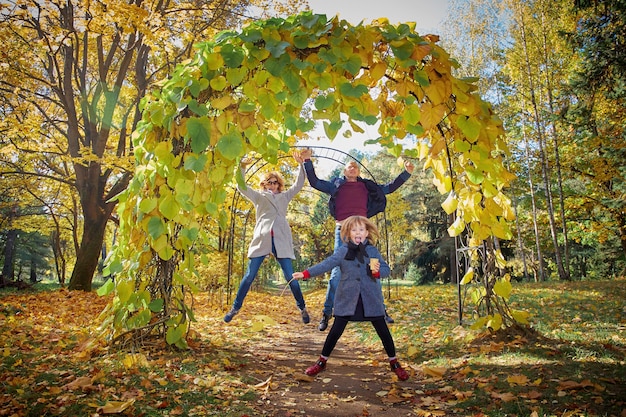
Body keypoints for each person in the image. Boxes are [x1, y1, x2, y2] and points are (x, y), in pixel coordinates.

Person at [300, 148, 414, 330]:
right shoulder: (336, 186)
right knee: (336, 274)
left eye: (355, 166)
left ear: (359, 171)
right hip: (342, 232)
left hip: (362, 233)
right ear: (344, 171)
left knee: (373, 267)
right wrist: (307, 161)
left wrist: (406, 174)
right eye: (349, 166)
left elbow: (389, 188)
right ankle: (326, 313)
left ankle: (381, 311)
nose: (352, 167)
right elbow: (314, 182)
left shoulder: (367, 187)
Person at [292, 215, 409, 380]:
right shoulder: (343, 250)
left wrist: (377, 272)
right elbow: (326, 264)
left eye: (361, 229)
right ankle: (321, 362)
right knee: (335, 331)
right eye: (354, 230)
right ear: (348, 233)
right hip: (347, 298)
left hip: (370, 298)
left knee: (383, 331)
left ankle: (394, 363)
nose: (358, 232)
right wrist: (305, 274)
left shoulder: (372, 250)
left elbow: (386, 270)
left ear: (367, 232)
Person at [224, 152, 310, 324]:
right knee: (249, 275)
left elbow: (299, 184)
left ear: (279, 184)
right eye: (269, 182)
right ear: (264, 184)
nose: (272, 185)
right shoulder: (258, 196)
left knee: (290, 275)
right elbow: (241, 186)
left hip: (281, 239)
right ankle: (235, 308)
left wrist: (302, 164)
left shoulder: (285, 196)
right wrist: (241, 168)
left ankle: (302, 308)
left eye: (275, 182)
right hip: (262, 238)